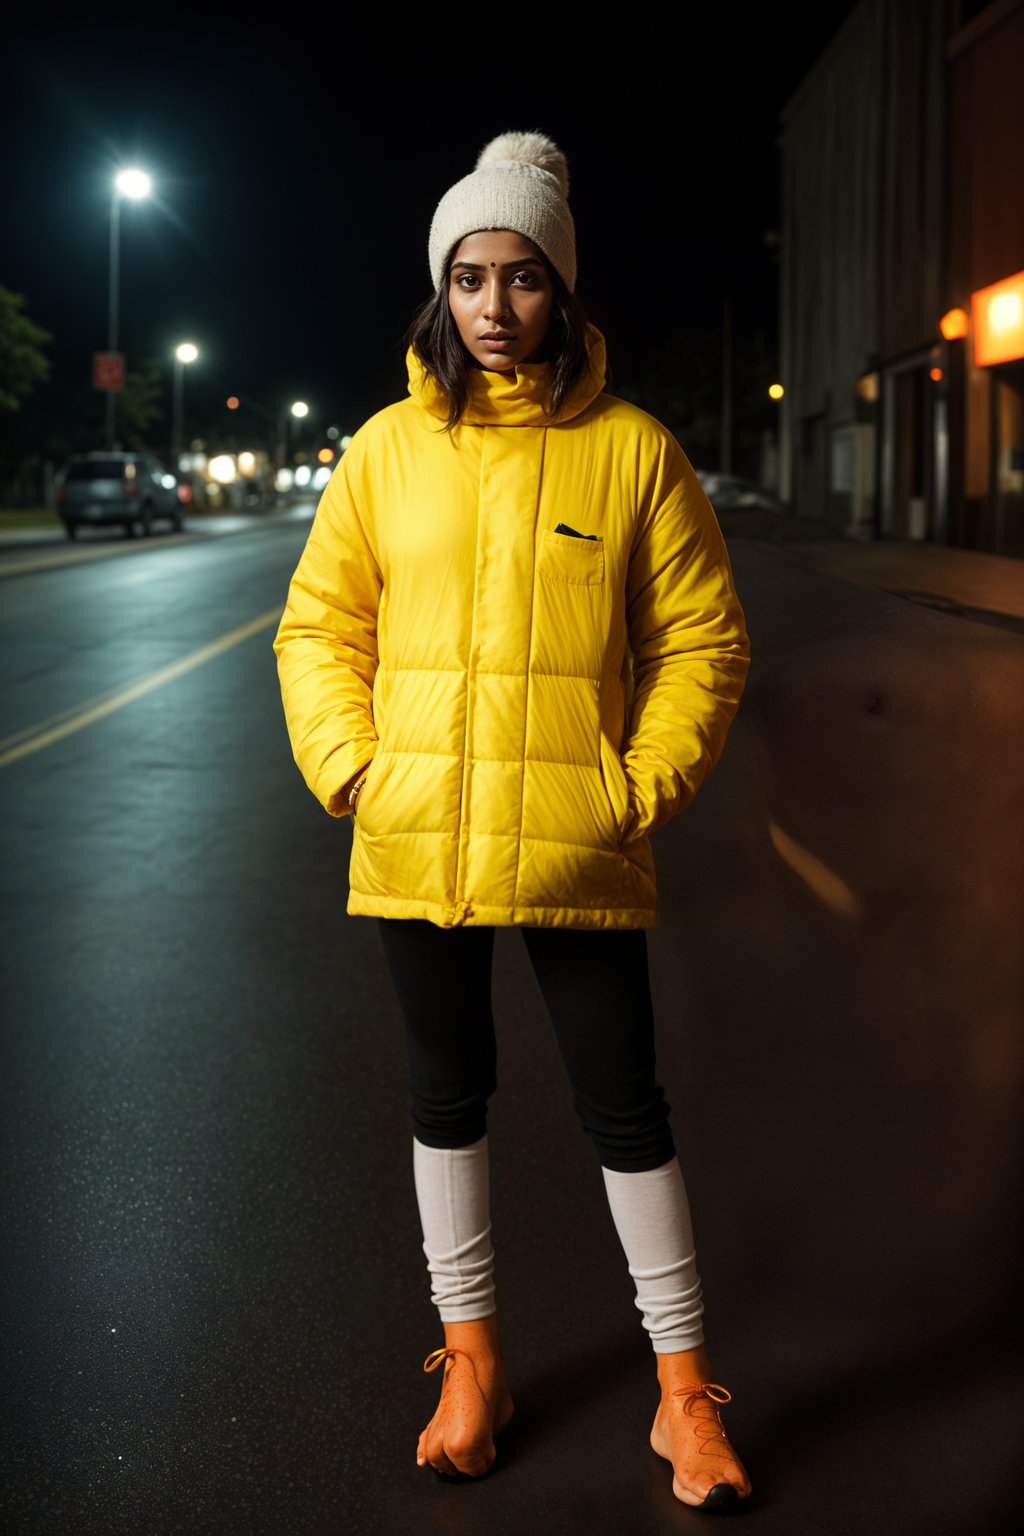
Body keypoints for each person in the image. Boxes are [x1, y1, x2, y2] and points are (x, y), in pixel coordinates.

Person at [273, 130, 753, 1511]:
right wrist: (355, 767)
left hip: (576, 836)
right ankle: (470, 1364)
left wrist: (633, 783)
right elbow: (320, 626)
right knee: (445, 1097)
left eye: (525, 277)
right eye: (471, 277)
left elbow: (701, 643)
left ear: (564, 294)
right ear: (442, 294)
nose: (496, 305)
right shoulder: (383, 455)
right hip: (415, 834)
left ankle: (682, 1395)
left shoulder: (634, 456)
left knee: (627, 1109)